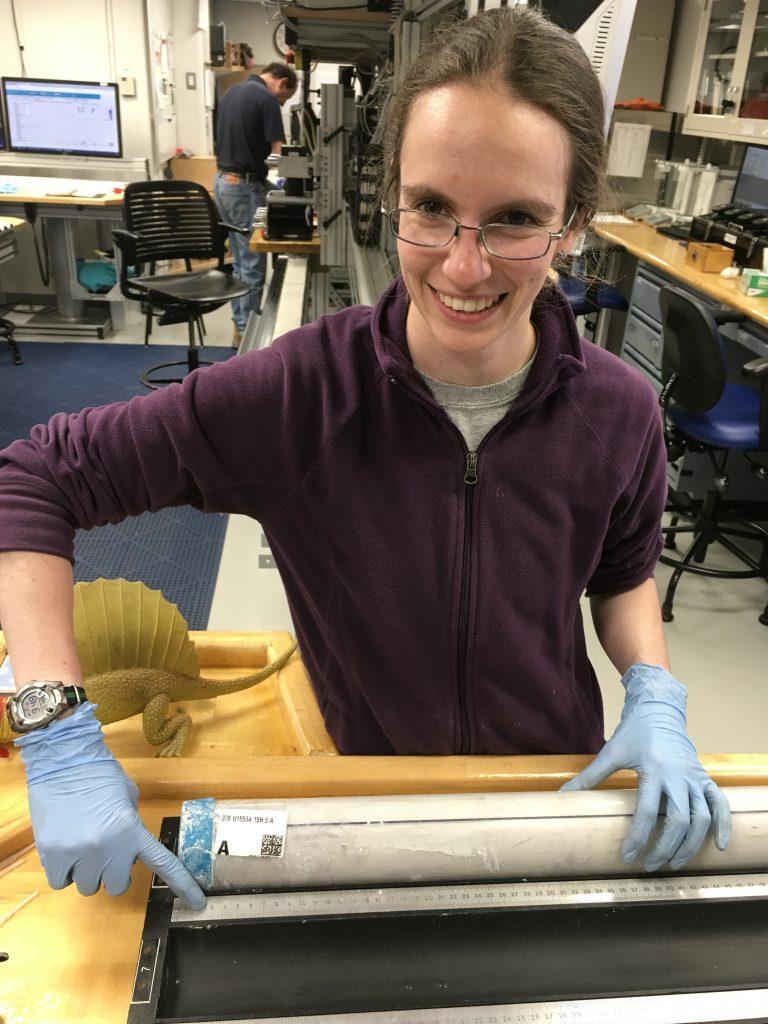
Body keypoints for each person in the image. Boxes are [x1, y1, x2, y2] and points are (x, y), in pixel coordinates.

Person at [0, 7, 731, 912]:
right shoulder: (300, 396)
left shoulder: (619, 412)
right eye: (431, 210)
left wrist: (653, 689)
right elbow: (35, 479)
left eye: (514, 220)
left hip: (555, 795)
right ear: (391, 196)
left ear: (573, 222)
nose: (465, 269)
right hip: (363, 806)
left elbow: (619, 578)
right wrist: (55, 730)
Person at [214, 61, 298, 343]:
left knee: (239, 260)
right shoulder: (266, 99)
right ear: (281, 83)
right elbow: (279, 152)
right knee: (252, 263)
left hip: (224, 183)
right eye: (285, 98)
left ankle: (240, 325)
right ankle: (248, 336)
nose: (282, 102)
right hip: (243, 186)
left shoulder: (231, 92)